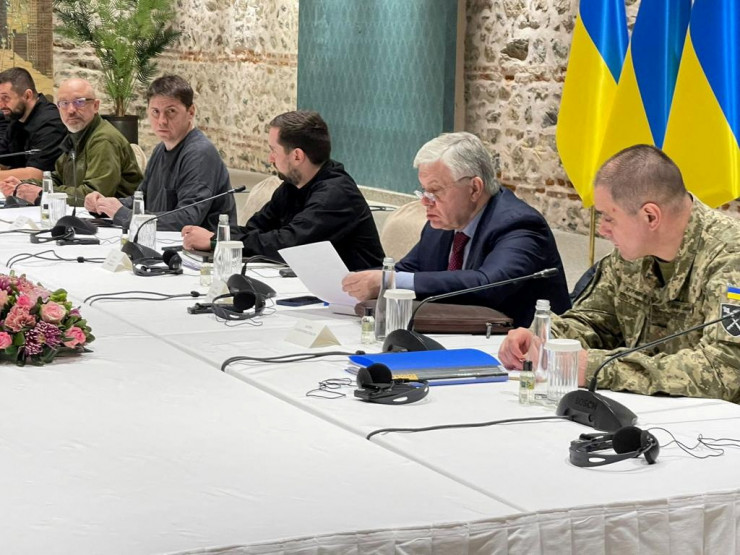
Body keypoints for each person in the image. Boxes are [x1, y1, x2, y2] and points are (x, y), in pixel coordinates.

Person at [498, 144, 740, 403]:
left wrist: (595, 368)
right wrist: (544, 340)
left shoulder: (729, 258)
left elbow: (723, 372)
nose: (602, 229)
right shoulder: (631, 255)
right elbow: (594, 321)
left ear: (650, 216)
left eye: (608, 218)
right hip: (648, 412)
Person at [342, 132, 570, 327]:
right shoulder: (443, 223)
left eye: (435, 191)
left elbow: (487, 284)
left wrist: (389, 281)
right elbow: (409, 271)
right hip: (458, 334)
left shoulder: (519, 224)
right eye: (424, 190)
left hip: (519, 347)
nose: (425, 201)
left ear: (474, 188)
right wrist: (361, 282)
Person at [181, 110, 384, 271]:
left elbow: (289, 244)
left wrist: (218, 241)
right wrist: (215, 235)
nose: (270, 158)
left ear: (297, 156)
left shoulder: (336, 194)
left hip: (357, 302)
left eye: (273, 150)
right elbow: (256, 229)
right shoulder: (293, 185)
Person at [84, 74, 234, 230]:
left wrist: (122, 214)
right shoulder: (160, 149)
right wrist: (105, 205)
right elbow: (142, 199)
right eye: (155, 112)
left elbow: (187, 218)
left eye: (171, 111)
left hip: (199, 244)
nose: (162, 121)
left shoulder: (200, 153)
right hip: (161, 240)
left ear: (191, 112)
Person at [0, 78, 142, 205]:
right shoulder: (75, 135)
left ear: (96, 106)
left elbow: (93, 196)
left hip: (112, 221)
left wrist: (41, 193)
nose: (71, 110)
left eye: (79, 102)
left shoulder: (104, 139)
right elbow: (58, 178)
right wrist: (23, 184)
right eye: (64, 103)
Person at [0, 67, 66, 182]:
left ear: (27, 95)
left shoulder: (51, 122)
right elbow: (4, 160)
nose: (1, 105)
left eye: (5, 98)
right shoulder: (17, 118)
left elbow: (37, 174)